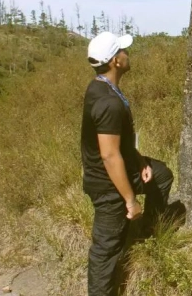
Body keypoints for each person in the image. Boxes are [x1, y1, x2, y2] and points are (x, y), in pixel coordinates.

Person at [80, 31, 174, 296]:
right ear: (115, 62)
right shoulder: (108, 102)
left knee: (161, 174)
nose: (127, 54)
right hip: (107, 185)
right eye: (123, 51)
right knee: (106, 249)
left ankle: (147, 232)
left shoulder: (100, 86)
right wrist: (130, 200)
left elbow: (120, 145)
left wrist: (140, 159)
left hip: (117, 171)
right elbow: (110, 156)